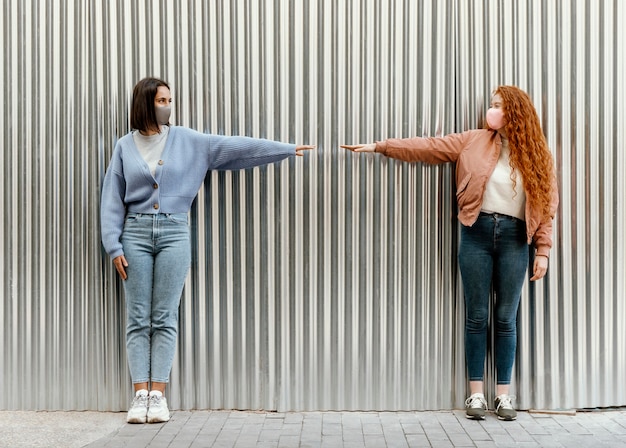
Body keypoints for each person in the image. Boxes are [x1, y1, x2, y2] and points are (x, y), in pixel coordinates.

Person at [101, 77, 314, 424]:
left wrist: (286, 149)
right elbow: (112, 196)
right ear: (144, 103)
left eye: (169, 99)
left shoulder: (188, 140)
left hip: (174, 232)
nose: (167, 105)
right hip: (134, 234)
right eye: (161, 100)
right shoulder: (124, 146)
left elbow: (238, 149)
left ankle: (159, 396)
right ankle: (139, 395)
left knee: (164, 317)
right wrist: (113, 245)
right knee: (138, 318)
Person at [342, 85, 558, 421]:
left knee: (505, 318)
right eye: (491, 105)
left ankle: (503, 395)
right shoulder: (474, 140)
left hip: (516, 239)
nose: (491, 111)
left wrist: (542, 251)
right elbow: (428, 147)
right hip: (476, 233)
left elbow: (546, 206)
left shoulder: (537, 154)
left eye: (498, 105)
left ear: (515, 112)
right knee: (477, 316)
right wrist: (380, 147)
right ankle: (475, 395)